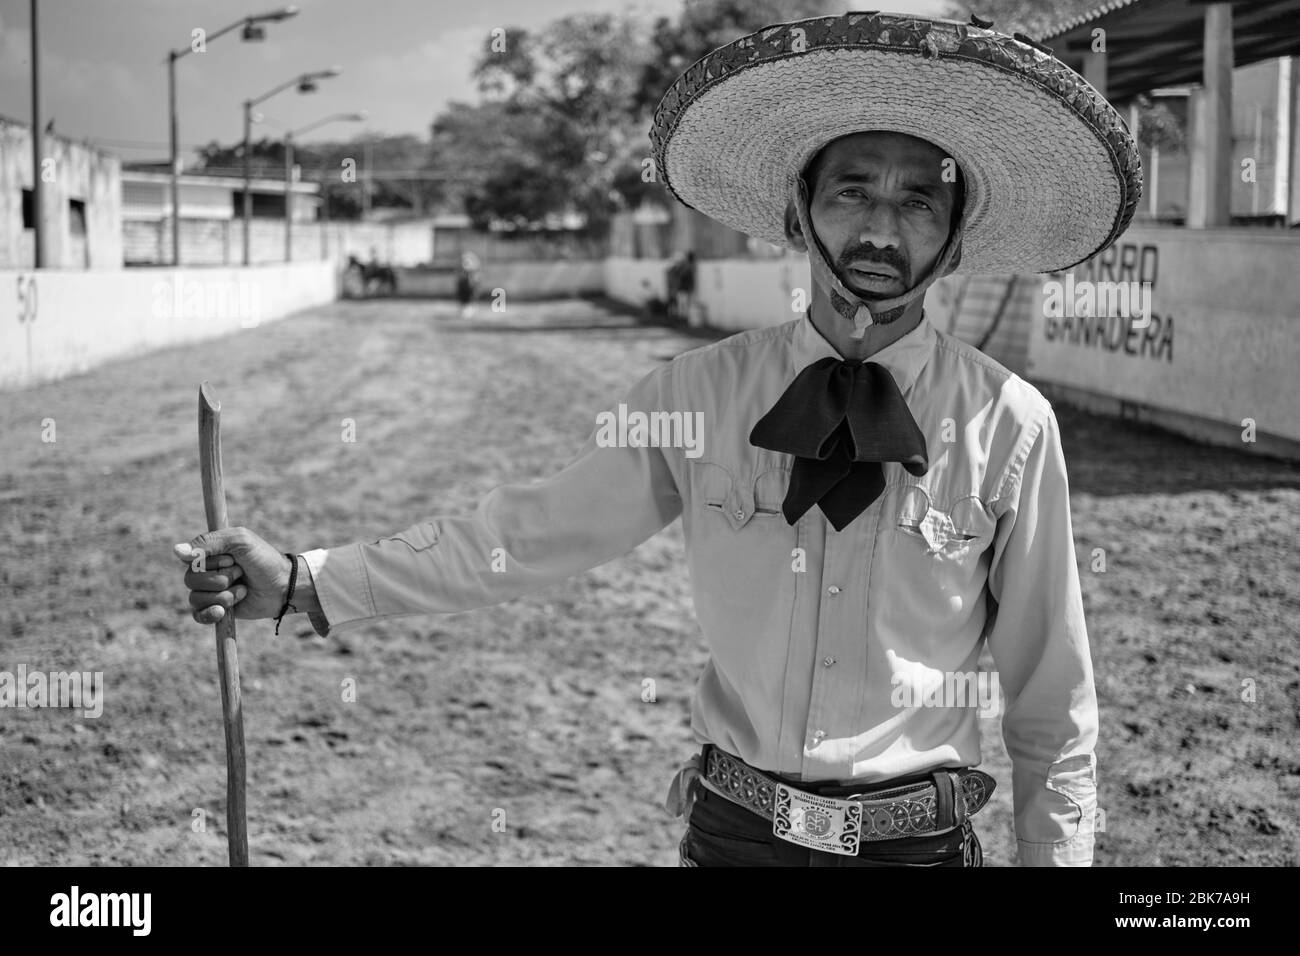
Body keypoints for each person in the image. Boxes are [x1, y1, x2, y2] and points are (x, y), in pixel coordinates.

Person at [175, 12, 1140, 866]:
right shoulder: (697, 395)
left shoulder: (1012, 426)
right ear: (799, 208)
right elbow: (529, 535)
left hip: (919, 851)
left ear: (957, 237)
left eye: (918, 199)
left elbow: (1053, 701)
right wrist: (307, 581)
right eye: (851, 190)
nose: (880, 227)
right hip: (736, 840)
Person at [456, 251, 480, 317]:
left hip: (470, 283)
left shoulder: (473, 263)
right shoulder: (462, 263)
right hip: (464, 282)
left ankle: (470, 309)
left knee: (471, 295)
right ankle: (465, 310)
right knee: (463, 296)